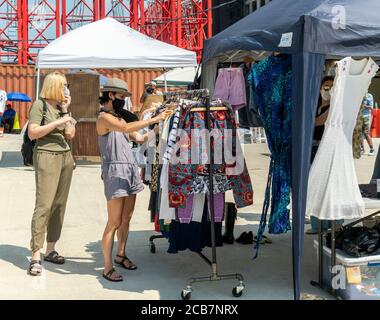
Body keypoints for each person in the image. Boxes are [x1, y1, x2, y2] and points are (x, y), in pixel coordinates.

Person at [96, 78, 171, 282]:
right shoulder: (104, 118)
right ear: (111, 95)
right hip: (115, 171)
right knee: (114, 222)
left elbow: (138, 138)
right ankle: (107, 267)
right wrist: (148, 120)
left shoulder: (119, 118)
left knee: (126, 218)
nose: (123, 101)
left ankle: (121, 254)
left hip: (129, 169)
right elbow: (128, 130)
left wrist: (157, 128)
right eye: (121, 97)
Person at [27, 72, 76, 276]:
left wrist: (65, 111)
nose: (66, 89)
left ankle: (50, 248)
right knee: (44, 205)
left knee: (59, 205)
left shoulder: (60, 107)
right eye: (63, 86)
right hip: (46, 155)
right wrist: (56, 123)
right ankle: (36, 255)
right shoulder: (40, 105)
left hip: (65, 155)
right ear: (54, 86)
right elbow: (32, 133)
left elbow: (70, 134)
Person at [307, 75, 343, 234]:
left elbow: (316, 122)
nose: (327, 90)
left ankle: (336, 224)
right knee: (315, 188)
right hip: (312, 150)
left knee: (332, 188)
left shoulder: (336, 107)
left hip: (329, 150)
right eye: (325, 87)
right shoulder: (314, 105)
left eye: (331, 87)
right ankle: (317, 225)